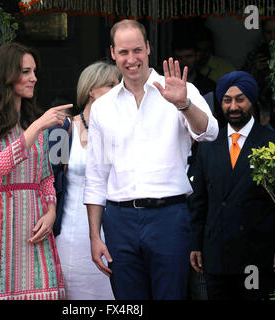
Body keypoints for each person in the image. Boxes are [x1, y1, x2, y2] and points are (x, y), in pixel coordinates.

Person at [83, 19, 219, 300]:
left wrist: (184, 104)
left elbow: (210, 132)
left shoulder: (178, 89)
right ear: (112, 53)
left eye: (136, 50)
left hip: (168, 217)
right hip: (119, 220)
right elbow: (96, 175)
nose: (131, 59)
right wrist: (95, 236)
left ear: (148, 48)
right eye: (123, 52)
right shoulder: (103, 108)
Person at [0, 43, 72, 300]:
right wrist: (37, 126)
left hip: (35, 223)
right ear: (5, 74)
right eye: (25, 71)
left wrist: (51, 212)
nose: (33, 78)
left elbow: (45, 177)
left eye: (34, 71)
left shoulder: (33, 120)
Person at [189, 71, 275, 300]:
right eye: (227, 100)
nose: (233, 106)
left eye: (240, 99)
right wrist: (195, 244)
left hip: (256, 256)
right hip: (217, 255)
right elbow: (199, 199)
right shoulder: (208, 143)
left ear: (252, 101)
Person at [49, 61, 120, 300]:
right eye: (110, 84)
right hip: (70, 229)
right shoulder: (63, 129)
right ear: (91, 89)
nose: (118, 89)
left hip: (113, 228)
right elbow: (48, 179)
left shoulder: (123, 130)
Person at [242, 17, 275, 128]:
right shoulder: (256, 54)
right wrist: (255, 68)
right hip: (260, 110)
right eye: (268, 32)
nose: (273, 36)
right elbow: (244, 83)